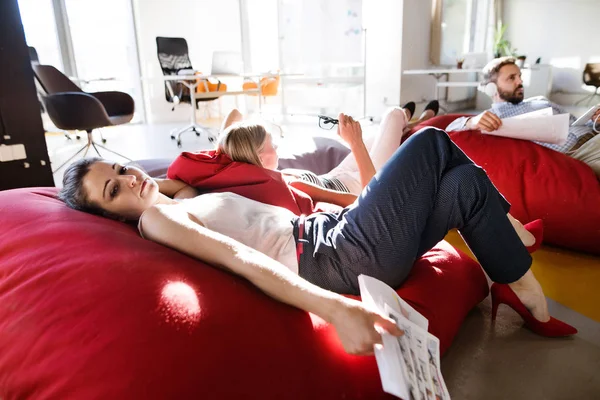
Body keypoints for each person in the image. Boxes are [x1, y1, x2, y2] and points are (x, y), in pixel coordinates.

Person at [58, 127, 576, 356]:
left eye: (123, 168)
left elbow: (190, 167)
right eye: (113, 189)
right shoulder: (156, 223)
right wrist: (332, 308)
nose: (130, 180)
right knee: (431, 142)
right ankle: (515, 247)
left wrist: (169, 182)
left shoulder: (170, 198)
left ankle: (514, 283)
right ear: (110, 214)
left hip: (329, 232)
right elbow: (239, 258)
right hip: (332, 258)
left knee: (460, 185)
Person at [219, 101, 440, 196]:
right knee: (391, 115)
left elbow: (235, 114)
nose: (277, 145)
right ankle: (414, 118)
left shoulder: (255, 170)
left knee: (381, 133)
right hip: (361, 183)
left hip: (338, 175)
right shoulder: (287, 186)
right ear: (258, 156)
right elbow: (371, 195)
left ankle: (409, 123)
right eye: (271, 144)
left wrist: (231, 141)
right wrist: (355, 143)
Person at [446, 57, 600, 176]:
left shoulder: (540, 100)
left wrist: (595, 122)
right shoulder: (493, 117)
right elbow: (449, 129)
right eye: (511, 78)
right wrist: (470, 121)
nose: (520, 81)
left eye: (519, 76)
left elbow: (576, 122)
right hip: (578, 153)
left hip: (593, 136)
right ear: (491, 87)